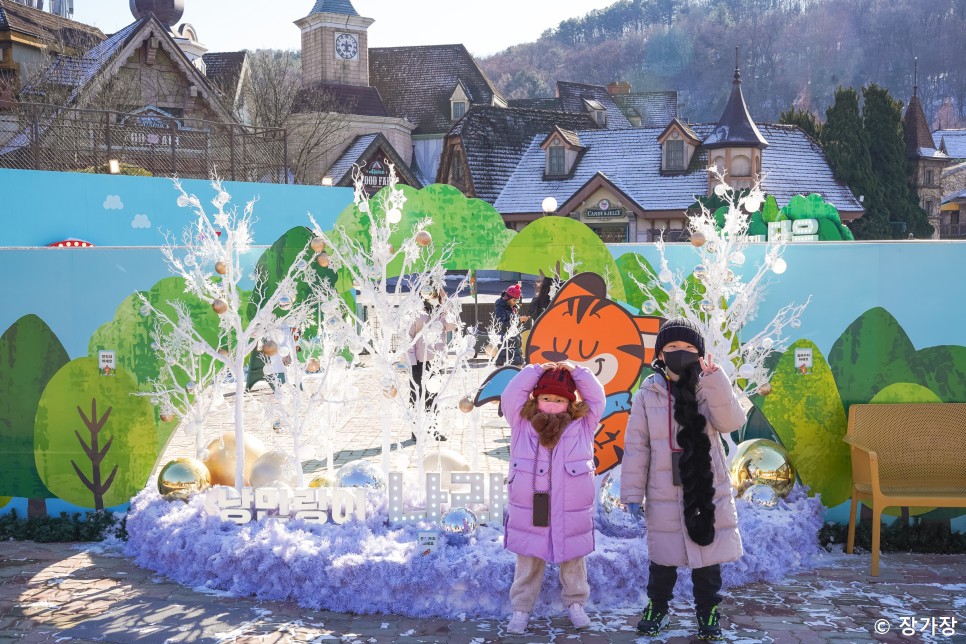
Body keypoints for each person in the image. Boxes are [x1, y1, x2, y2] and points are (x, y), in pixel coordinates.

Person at [620, 318, 747, 641]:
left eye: (689, 348)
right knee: (663, 558)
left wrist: (716, 381)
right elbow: (637, 447)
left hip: (705, 486)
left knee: (707, 558)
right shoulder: (647, 393)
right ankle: (657, 608)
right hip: (663, 489)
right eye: (673, 347)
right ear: (660, 354)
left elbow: (731, 421)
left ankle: (708, 612)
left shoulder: (707, 386)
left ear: (700, 353)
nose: (680, 353)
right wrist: (633, 493)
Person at [501, 361, 605, 634]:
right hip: (531, 504)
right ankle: (521, 608)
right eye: (545, 398)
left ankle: (575, 603)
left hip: (570, 506)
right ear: (536, 397)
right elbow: (510, 395)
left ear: (569, 403)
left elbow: (597, 397)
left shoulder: (583, 424)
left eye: (558, 400)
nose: (550, 404)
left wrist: (577, 371)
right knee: (529, 556)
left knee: (573, 556)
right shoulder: (521, 422)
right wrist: (534, 371)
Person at [407, 287, 457, 441]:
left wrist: (445, 301)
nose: (434, 296)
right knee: (416, 395)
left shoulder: (441, 312)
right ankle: (416, 430)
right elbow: (408, 336)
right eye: (432, 292)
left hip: (436, 361)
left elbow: (452, 325)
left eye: (436, 293)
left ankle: (433, 428)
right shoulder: (416, 311)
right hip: (419, 360)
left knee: (433, 395)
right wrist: (412, 362)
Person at [494, 284, 528, 366]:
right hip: (506, 343)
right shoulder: (501, 307)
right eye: (514, 300)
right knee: (507, 369)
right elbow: (501, 324)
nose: (515, 302)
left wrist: (520, 321)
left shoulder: (513, 308)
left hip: (513, 344)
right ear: (508, 298)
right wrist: (518, 320)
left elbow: (514, 326)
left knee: (516, 368)